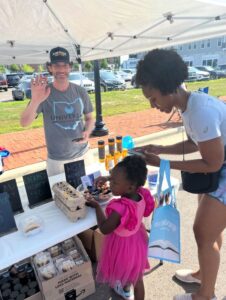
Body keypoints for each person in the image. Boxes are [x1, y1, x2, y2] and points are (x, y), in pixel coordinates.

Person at [135, 48, 226, 300]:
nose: (153, 105)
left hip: (221, 168)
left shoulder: (200, 111)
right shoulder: (190, 105)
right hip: (220, 165)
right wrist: (161, 149)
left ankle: (205, 295)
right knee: (211, 232)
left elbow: (212, 163)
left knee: (203, 232)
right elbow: (197, 143)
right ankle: (202, 276)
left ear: (168, 87)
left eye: (153, 98)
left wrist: (163, 162)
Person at [86, 155, 155, 300]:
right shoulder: (142, 193)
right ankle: (125, 288)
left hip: (122, 246)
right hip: (137, 240)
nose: (110, 184)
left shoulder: (119, 208)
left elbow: (104, 229)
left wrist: (97, 206)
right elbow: (120, 180)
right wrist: (108, 178)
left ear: (130, 186)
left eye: (114, 182)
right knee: (137, 276)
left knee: (125, 268)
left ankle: (124, 287)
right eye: (111, 179)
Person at [20, 46, 94, 176]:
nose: (61, 69)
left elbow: (89, 118)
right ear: (50, 68)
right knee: (60, 196)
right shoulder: (43, 93)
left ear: (70, 67)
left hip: (84, 154)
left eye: (64, 65)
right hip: (57, 161)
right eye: (56, 65)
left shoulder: (80, 91)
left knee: (90, 193)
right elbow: (24, 122)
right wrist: (35, 100)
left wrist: (87, 131)